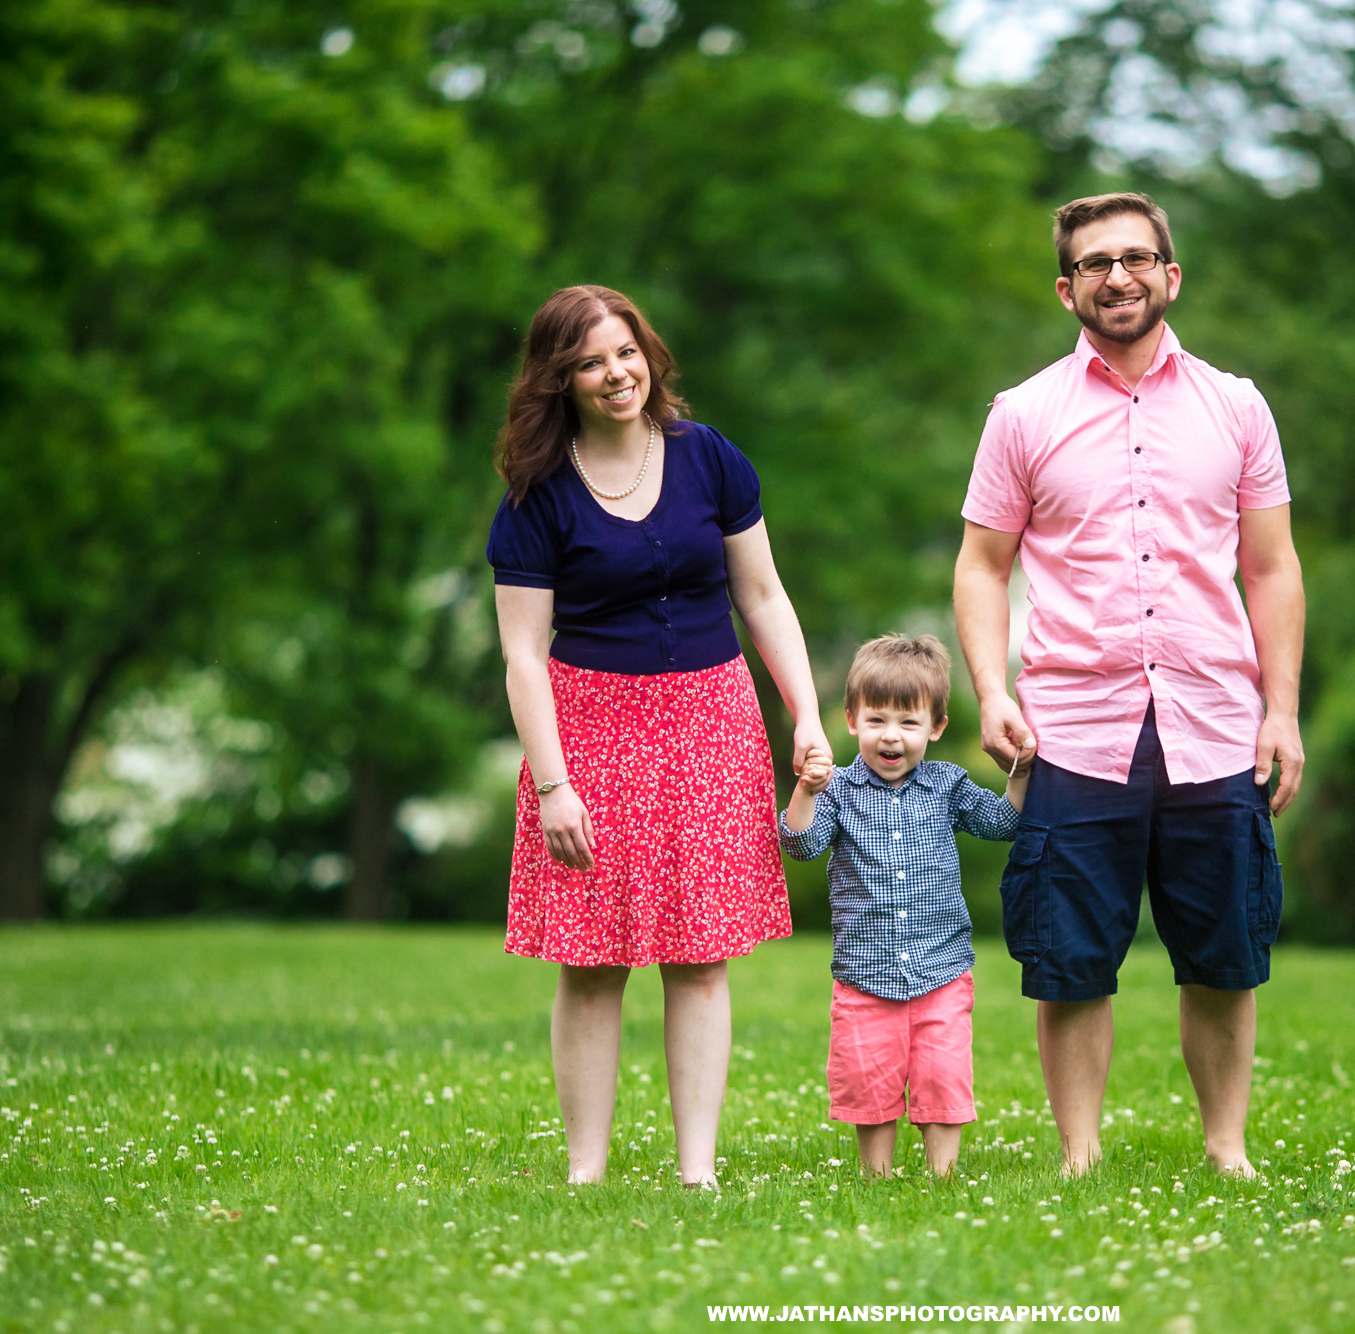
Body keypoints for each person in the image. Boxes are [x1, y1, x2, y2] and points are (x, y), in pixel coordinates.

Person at [952, 192, 1307, 1178]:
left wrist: (1279, 708)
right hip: (1069, 725)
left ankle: (1224, 1145)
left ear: (1169, 274)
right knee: (1067, 958)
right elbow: (982, 565)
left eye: (1136, 258)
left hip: (1214, 718)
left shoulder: (1236, 406)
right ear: (1065, 288)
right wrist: (993, 686)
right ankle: (1078, 1151)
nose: (1117, 276)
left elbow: (1270, 566)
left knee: (1222, 952)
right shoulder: (1022, 415)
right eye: (1095, 263)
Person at [487, 285, 829, 1188]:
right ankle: (585, 1172)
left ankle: (697, 1171)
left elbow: (763, 595)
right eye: (591, 361)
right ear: (560, 379)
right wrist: (553, 783)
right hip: (590, 729)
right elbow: (524, 657)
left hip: (713, 718)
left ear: (650, 355)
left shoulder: (709, 458)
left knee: (701, 956)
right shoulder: (538, 495)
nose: (615, 374)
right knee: (592, 963)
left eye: (626, 352)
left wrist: (805, 712)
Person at [777, 635, 1034, 1177]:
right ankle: (878, 1173)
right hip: (864, 973)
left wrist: (1023, 772)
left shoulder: (947, 784)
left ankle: (943, 1173)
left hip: (940, 968)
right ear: (851, 721)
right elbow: (800, 845)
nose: (890, 736)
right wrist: (805, 790)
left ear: (935, 727)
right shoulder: (840, 791)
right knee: (868, 1075)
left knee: (943, 1072)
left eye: (908, 722)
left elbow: (1003, 823)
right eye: (876, 720)